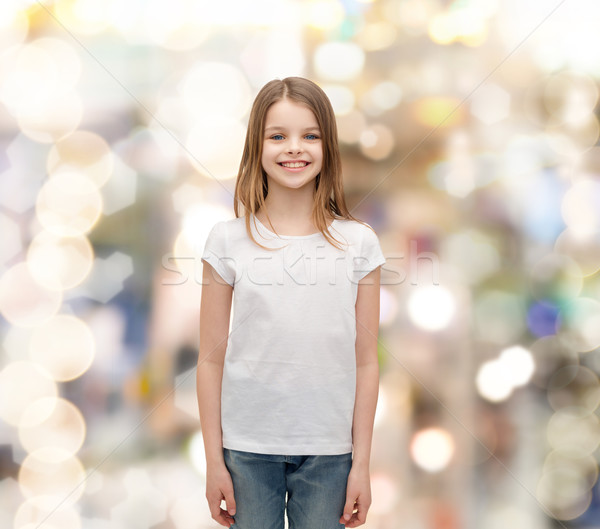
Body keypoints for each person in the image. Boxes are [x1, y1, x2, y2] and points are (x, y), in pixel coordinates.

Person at [197, 76, 386, 529]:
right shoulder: (227, 240)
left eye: (310, 135)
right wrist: (213, 462)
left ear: (328, 146)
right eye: (277, 136)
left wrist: (361, 464)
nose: (293, 148)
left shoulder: (359, 244)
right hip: (245, 450)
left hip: (330, 454)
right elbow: (210, 360)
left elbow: (366, 362)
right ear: (256, 147)